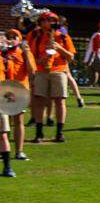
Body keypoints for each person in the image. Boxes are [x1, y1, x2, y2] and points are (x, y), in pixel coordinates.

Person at [27, 11, 74, 144]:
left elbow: (71, 57)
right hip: (41, 71)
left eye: (52, 21)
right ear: (41, 23)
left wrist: (59, 48)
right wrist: (43, 58)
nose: (50, 23)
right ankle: (39, 132)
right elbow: (31, 58)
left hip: (59, 71)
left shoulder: (63, 37)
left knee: (60, 101)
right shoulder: (35, 37)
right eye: (46, 21)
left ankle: (59, 132)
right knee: (39, 101)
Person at [2, 28, 32, 162]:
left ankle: (19, 151)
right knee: (4, 122)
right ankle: (4, 150)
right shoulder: (3, 53)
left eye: (15, 36)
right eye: (9, 36)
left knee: (18, 120)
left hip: (20, 89)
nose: (12, 38)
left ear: (19, 40)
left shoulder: (24, 52)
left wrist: (26, 53)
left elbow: (32, 71)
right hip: (4, 89)